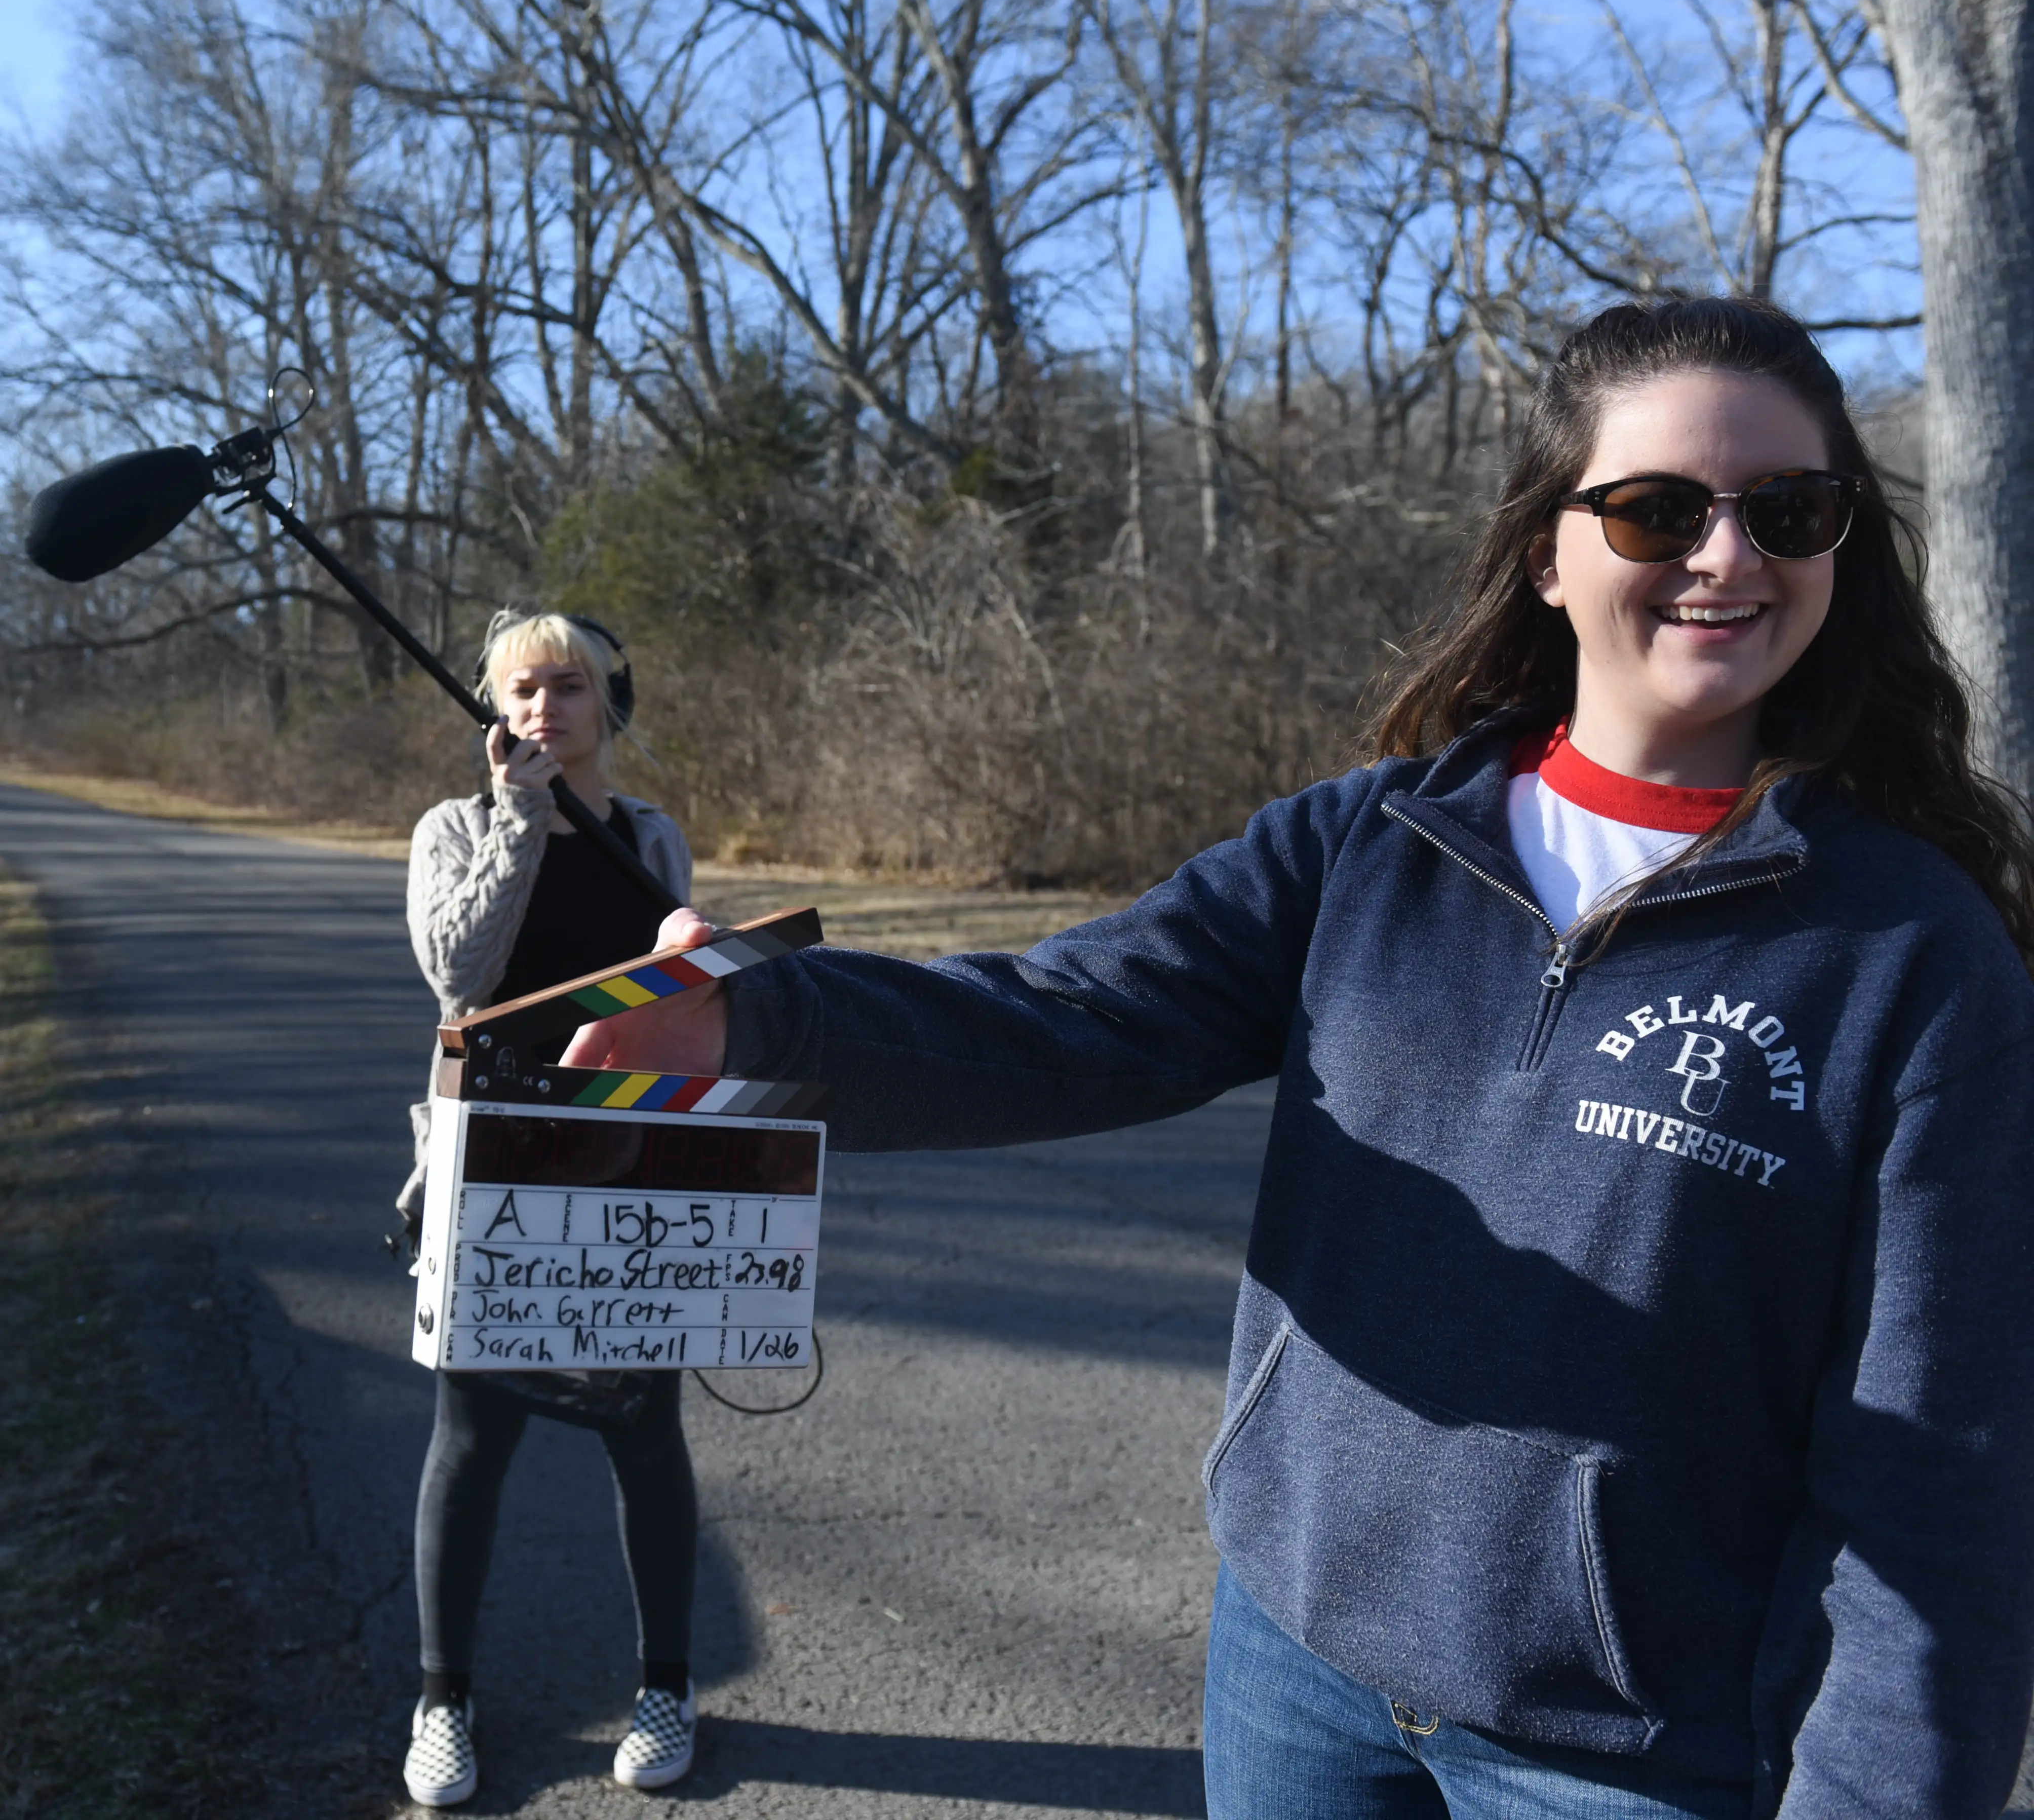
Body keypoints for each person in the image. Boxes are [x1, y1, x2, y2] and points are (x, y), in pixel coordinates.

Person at [558, 300, 2034, 1819]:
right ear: (1548, 549)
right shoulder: (1366, 848)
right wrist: (762, 1020)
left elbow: (1941, 1482)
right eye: (1659, 510)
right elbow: (1071, 1019)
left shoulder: (1912, 958)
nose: (1728, 557)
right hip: (1296, 1673)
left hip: (1640, 1751)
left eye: (1788, 509)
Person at [397, 609, 699, 1808]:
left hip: (627, 1165)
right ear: (491, 707)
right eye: (520, 690)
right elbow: (459, 975)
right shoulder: (454, 827)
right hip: (490, 1167)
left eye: (567, 688)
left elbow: (677, 1000)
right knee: (474, 1439)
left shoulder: (649, 835)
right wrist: (520, 816)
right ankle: (441, 1701)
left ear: (605, 704)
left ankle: (668, 1686)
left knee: (643, 1426)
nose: (542, 710)